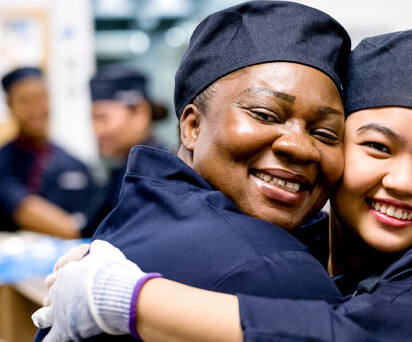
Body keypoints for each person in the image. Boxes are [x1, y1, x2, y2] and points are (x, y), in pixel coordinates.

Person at [35, 30, 412, 341]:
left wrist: (124, 297)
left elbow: (348, 334)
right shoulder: (297, 238)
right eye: (378, 148)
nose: (403, 182)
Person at [33, 1, 351, 341]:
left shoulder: (148, 208)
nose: (300, 146)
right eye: (264, 114)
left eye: (325, 133)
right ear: (192, 126)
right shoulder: (277, 272)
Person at [0, 67, 97, 238]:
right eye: (24, 100)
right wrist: (79, 232)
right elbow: (22, 208)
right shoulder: (4, 161)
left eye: (40, 97)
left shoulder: (75, 164)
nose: (34, 108)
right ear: (10, 105)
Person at [83, 67, 168, 235]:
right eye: (92, 119)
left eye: (102, 117)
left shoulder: (157, 174)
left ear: (139, 112)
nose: (96, 130)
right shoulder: (123, 170)